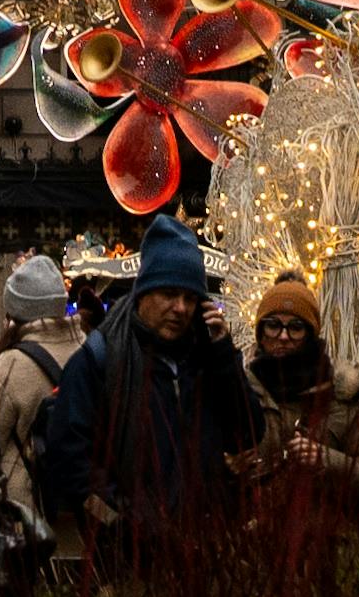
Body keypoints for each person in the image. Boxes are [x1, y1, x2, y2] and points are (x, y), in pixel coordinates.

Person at [33, 216, 264, 552]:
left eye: (190, 298)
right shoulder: (100, 359)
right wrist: (129, 525)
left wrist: (224, 356)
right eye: (169, 294)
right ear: (144, 292)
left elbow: (249, 432)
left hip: (206, 551)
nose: (180, 308)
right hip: (127, 555)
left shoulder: (206, 358)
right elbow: (70, 461)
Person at [243, 279, 359, 519]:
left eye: (295, 327)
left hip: (323, 544)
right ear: (261, 333)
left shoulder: (342, 400)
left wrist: (326, 460)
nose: (284, 336)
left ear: (310, 334)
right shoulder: (239, 393)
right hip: (249, 544)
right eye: (273, 325)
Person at [0, 257, 76, 525]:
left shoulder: (8, 366)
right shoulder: (90, 350)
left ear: (13, 312)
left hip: (29, 521)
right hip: (86, 517)